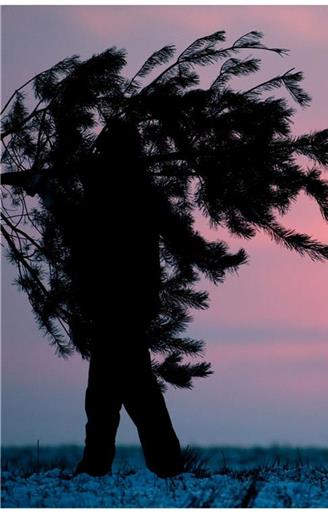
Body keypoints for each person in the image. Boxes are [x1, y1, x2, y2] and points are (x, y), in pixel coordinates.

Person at [62, 122, 184, 477]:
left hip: (121, 306)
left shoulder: (124, 193)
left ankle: (116, 464)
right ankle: (154, 463)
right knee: (121, 392)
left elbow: (85, 223)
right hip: (123, 306)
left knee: (122, 394)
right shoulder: (134, 191)